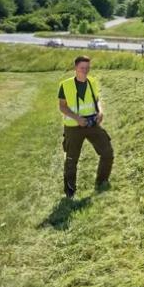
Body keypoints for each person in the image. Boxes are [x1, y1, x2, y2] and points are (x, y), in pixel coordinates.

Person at [58, 55, 114, 198]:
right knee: (71, 160)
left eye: (88, 68)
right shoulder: (65, 85)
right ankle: (70, 192)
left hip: (92, 124)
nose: (85, 70)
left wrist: (100, 112)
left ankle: (101, 182)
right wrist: (77, 118)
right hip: (73, 126)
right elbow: (62, 107)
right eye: (82, 68)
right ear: (76, 68)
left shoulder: (93, 82)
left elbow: (97, 100)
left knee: (107, 152)